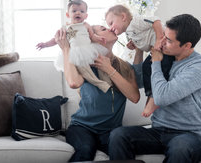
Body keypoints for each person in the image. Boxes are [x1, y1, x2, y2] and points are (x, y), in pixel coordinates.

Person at [108, 14, 201, 163]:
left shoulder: (199, 67)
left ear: (187, 45)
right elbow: (139, 81)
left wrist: (156, 63)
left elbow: (162, 98)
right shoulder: (165, 56)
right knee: (118, 135)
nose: (162, 42)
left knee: (180, 149)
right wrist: (139, 50)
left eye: (169, 40)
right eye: (163, 35)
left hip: (188, 134)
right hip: (158, 131)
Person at [54, 24, 140, 162]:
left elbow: (135, 97)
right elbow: (74, 82)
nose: (111, 28)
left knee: (123, 153)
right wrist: (66, 48)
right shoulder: (85, 64)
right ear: (93, 38)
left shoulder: (125, 67)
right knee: (85, 150)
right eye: (103, 29)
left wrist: (109, 69)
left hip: (111, 131)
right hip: (82, 128)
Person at [105, 4, 175, 117]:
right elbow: (141, 42)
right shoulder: (129, 33)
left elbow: (156, 21)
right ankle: (151, 95)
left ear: (123, 17)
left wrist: (158, 39)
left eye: (111, 23)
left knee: (161, 66)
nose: (110, 28)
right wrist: (134, 45)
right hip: (156, 50)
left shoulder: (136, 21)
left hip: (164, 46)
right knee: (147, 67)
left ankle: (153, 98)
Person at [36, 0, 111, 92]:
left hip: (88, 50)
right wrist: (45, 44)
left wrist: (99, 38)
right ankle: (101, 85)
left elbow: (92, 36)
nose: (78, 13)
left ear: (86, 15)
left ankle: (108, 82)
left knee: (101, 65)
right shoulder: (66, 28)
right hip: (75, 53)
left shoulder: (86, 25)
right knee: (85, 71)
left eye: (82, 11)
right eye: (74, 11)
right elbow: (55, 39)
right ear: (68, 14)